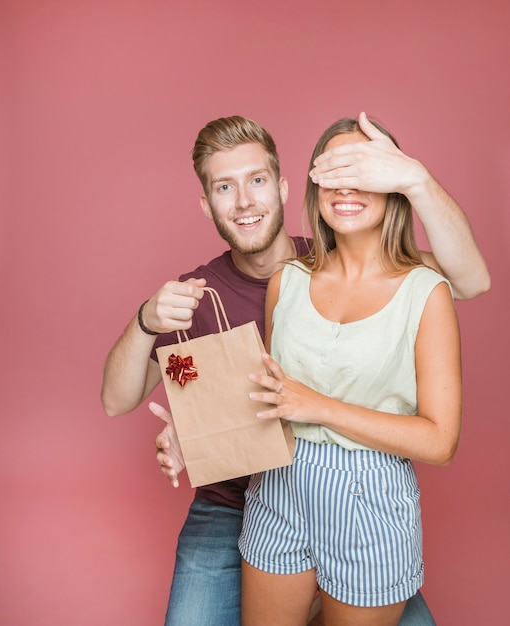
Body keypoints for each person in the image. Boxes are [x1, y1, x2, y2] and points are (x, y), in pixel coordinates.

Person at [101, 114, 489, 626]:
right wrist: (190, 419)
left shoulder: (349, 252)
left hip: (355, 493)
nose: (244, 202)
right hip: (235, 501)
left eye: (257, 181)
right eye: (225, 187)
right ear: (206, 203)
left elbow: (469, 279)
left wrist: (412, 177)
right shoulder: (198, 295)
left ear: (284, 188)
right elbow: (118, 400)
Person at [238, 116, 462, 626]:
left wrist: (318, 406)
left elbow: (441, 441)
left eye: (362, 172)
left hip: (372, 499)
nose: (345, 187)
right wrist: (197, 436)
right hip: (278, 485)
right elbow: (268, 399)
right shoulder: (286, 281)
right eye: (332, 172)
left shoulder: (426, 292)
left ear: (392, 189)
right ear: (315, 188)